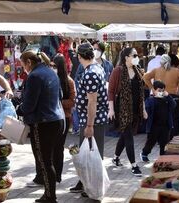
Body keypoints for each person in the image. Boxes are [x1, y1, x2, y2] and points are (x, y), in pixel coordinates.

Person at [18, 50, 64, 203]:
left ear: (29, 62)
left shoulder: (34, 76)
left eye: (23, 64)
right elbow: (61, 95)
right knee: (48, 159)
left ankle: (50, 196)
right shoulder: (51, 72)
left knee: (44, 161)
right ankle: (50, 193)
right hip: (56, 119)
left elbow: (29, 105)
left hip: (43, 122)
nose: (23, 68)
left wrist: (19, 109)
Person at [69, 42, 108, 195]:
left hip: (93, 121)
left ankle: (92, 187)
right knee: (84, 153)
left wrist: (90, 125)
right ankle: (84, 182)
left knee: (93, 154)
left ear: (79, 56)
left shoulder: (91, 72)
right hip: (90, 119)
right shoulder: (96, 68)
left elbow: (92, 101)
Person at [108, 47, 146, 176]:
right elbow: (111, 91)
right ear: (126, 57)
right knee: (129, 135)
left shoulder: (138, 71)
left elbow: (141, 93)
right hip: (122, 109)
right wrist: (111, 109)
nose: (137, 57)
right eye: (134, 55)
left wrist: (144, 109)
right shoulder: (118, 71)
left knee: (125, 135)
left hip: (135, 109)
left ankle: (115, 158)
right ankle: (134, 165)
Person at [143, 54, 179, 138]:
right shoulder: (175, 70)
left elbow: (145, 77)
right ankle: (172, 138)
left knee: (160, 119)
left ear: (161, 62)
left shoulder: (156, 70)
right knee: (174, 118)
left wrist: (152, 89)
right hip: (173, 96)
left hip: (160, 97)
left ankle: (160, 138)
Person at [51, 53, 76, 183]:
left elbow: (72, 101)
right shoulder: (51, 79)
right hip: (56, 118)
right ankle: (54, 174)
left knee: (58, 147)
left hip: (62, 118)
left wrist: (58, 103)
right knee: (56, 147)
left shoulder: (68, 81)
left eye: (54, 65)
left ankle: (57, 175)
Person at [140, 81, 176, 162]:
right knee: (151, 142)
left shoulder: (166, 99)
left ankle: (163, 158)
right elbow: (146, 109)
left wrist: (168, 96)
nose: (161, 92)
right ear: (154, 90)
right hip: (154, 126)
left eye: (163, 90)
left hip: (165, 125)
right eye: (159, 90)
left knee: (164, 142)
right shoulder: (150, 100)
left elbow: (174, 105)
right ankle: (144, 153)